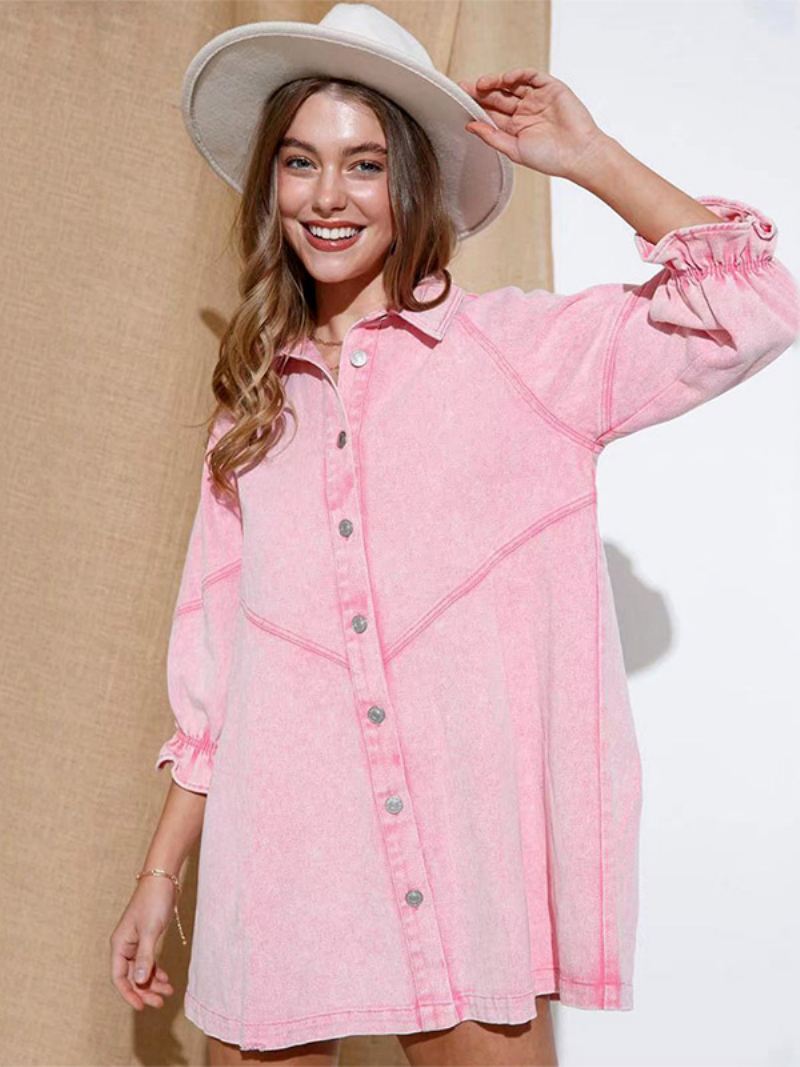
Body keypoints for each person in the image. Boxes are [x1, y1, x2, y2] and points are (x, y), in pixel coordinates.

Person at [109, 5, 800, 1066]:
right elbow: (213, 678)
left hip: (464, 868)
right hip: (282, 859)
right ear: (271, 186)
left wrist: (592, 159)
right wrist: (160, 875)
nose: (328, 197)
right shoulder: (252, 411)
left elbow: (752, 306)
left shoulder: (523, 354)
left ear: (412, 183)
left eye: (365, 164)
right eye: (300, 162)